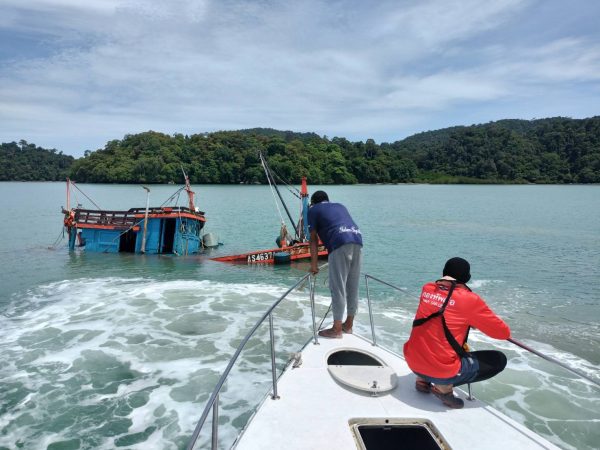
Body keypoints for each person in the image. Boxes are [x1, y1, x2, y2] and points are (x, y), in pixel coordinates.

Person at [403, 257, 510, 409]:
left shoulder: (427, 289)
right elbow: (502, 333)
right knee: (498, 360)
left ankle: (422, 380)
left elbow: (444, 312)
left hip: (412, 361)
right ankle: (443, 388)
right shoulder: (469, 299)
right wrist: (472, 319)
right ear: (466, 278)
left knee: (431, 338)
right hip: (440, 369)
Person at [308, 190, 363, 339]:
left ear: (313, 202)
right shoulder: (339, 205)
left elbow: (313, 239)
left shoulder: (313, 210)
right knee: (352, 286)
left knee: (337, 287)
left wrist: (314, 265)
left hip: (339, 242)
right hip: (357, 240)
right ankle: (348, 325)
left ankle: (337, 329)